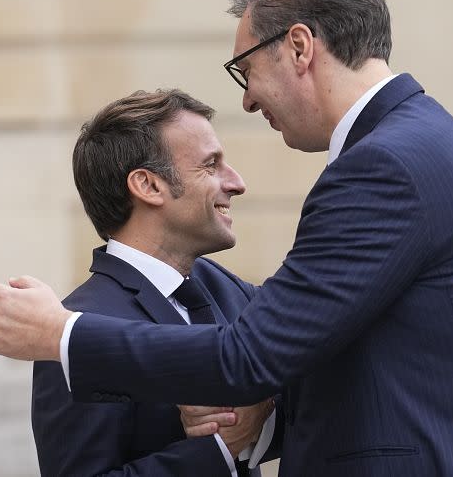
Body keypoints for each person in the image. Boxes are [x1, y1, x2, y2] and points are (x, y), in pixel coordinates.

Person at [0, 0, 453, 476]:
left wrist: (61, 335)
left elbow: (248, 357)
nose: (247, 96)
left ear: (300, 46)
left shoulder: (382, 167)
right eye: (210, 164)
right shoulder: (435, 144)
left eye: (247, 68)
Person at [31, 89, 278, 476]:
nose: (236, 183)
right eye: (210, 165)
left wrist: (262, 407)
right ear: (148, 186)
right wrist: (219, 450)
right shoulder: (74, 329)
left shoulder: (226, 288)